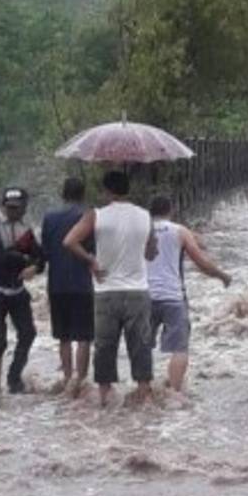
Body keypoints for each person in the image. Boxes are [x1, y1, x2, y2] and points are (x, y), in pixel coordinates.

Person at [63, 170, 157, 407]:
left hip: (106, 291)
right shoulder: (145, 215)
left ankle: (105, 396)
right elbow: (151, 253)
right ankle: (144, 392)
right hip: (138, 291)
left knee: (105, 345)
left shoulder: (95, 215)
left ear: (106, 191)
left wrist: (91, 261)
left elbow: (69, 241)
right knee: (140, 344)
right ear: (128, 190)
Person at [146, 195, 232, 392]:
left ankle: (144, 390)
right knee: (179, 348)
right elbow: (200, 261)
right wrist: (222, 275)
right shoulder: (179, 231)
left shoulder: (141, 230)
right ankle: (175, 393)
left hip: (144, 297)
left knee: (142, 346)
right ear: (172, 209)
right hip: (173, 297)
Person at [0, 187, 45, 395]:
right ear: (3, 205)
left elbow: (40, 258)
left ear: (25, 208)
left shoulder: (25, 229)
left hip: (17, 291)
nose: (13, 211)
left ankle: (14, 378)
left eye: (18, 208)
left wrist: (35, 266)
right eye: (10, 207)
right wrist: (24, 259)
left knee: (28, 334)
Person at [41, 177, 95, 396]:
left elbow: (44, 251)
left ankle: (66, 377)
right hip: (81, 283)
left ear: (63, 194)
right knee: (84, 336)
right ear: (83, 195)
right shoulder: (88, 217)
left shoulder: (49, 218)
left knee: (63, 336)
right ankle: (80, 381)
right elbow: (93, 249)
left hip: (56, 283)